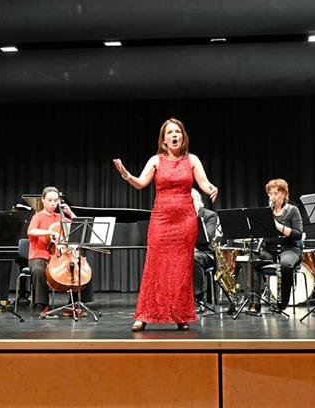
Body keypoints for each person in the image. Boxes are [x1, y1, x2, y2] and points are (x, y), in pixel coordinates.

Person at [113, 117, 218, 331]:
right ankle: (144, 315)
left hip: (185, 221)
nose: (174, 135)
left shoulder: (192, 160)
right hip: (161, 219)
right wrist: (126, 174)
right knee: (155, 266)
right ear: (164, 140)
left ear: (183, 137)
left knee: (181, 268)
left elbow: (204, 183)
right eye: (170, 132)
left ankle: (180, 315)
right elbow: (141, 183)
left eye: (177, 132)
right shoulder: (156, 160)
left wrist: (211, 189)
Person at [26, 186, 88, 319]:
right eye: (50, 200)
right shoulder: (38, 216)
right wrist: (49, 232)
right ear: (43, 200)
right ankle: (43, 306)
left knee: (81, 269)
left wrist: (70, 213)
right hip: (40, 254)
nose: (53, 203)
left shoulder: (60, 216)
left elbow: (78, 228)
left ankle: (72, 305)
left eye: (56, 200)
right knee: (38, 270)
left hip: (61, 255)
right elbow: (31, 231)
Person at [250, 179, 303, 312]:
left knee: (285, 265)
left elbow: (298, 234)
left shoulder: (293, 210)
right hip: (270, 250)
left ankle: (282, 303)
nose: (273, 197)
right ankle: (254, 302)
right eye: (270, 194)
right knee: (251, 260)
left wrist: (278, 226)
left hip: (290, 248)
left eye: (276, 193)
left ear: (284, 194)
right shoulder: (267, 211)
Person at [191, 189, 219, 312]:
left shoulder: (209, 215)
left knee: (193, 257)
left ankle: (198, 299)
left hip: (205, 253)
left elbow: (207, 236)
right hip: (186, 251)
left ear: (197, 200)